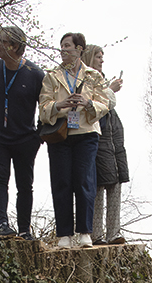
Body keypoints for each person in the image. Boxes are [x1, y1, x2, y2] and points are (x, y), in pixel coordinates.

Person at [38, 32, 109, 249]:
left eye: (68, 45)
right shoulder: (51, 76)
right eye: (62, 46)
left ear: (79, 49)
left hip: (86, 133)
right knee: (61, 182)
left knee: (85, 181)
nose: (63, 50)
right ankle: (64, 234)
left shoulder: (93, 76)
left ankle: (85, 232)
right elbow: (43, 107)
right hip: (60, 134)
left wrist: (88, 103)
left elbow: (105, 104)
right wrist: (59, 105)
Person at [0, 26, 44, 239]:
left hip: (25, 139)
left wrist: (38, 136)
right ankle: (2, 225)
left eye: (1, 41)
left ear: (13, 46)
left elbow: (45, 106)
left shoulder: (35, 74)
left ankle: (24, 229)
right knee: (0, 178)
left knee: (25, 185)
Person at [81, 44, 128, 245]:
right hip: (97, 137)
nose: (101, 60)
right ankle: (96, 234)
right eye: (98, 56)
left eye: (102, 56)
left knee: (115, 182)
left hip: (113, 139)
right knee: (98, 184)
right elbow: (95, 103)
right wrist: (111, 90)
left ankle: (114, 233)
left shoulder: (101, 80)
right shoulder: (83, 79)